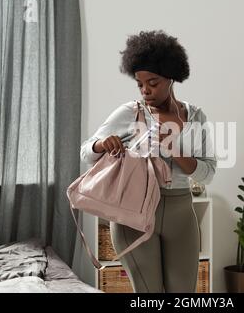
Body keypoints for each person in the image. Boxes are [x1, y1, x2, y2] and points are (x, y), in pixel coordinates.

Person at [80, 30, 217, 293]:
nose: (145, 90)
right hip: (135, 216)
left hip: (182, 215)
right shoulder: (130, 113)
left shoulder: (195, 116)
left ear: (171, 77)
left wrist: (175, 150)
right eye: (140, 84)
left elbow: (207, 173)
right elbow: (86, 151)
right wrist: (102, 144)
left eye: (152, 82)